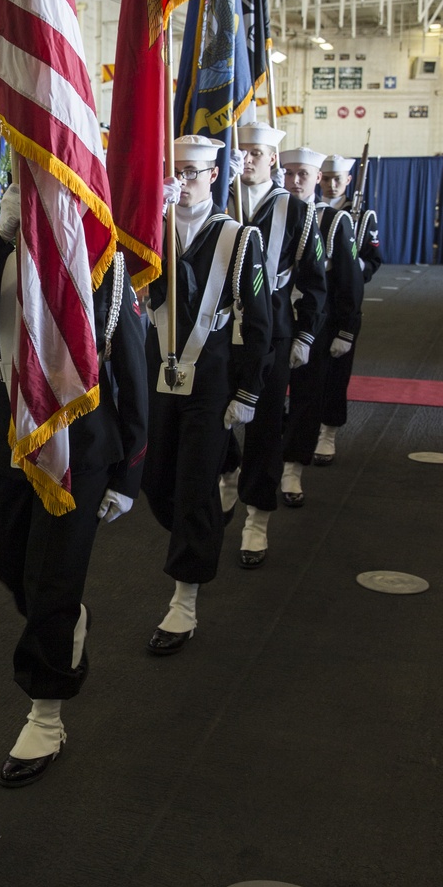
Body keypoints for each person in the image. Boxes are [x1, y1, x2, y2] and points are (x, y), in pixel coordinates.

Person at [0, 182, 149, 780]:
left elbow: (133, 370)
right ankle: (64, 618)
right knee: (13, 568)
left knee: (53, 581)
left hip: (80, 453)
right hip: (10, 440)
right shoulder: (4, 256)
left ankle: (45, 714)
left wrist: (128, 475)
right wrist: (2, 237)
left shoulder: (104, 268)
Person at [143, 136, 272, 653]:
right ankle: (209, 510)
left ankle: (184, 599)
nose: (185, 180)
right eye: (176, 171)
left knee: (194, 483)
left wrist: (247, 390)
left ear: (215, 175)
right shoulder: (151, 231)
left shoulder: (240, 237)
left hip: (211, 377)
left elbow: (256, 321)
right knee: (156, 483)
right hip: (160, 375)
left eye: (195, 171)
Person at [219, 124, 327, 567]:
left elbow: (315, 280)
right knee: (213, 413)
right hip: (217, 330)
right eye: (240, 152)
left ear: (272, 160)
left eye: (256, 153)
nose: (246, 159)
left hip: (272, 331)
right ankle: (228, 472)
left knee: (264, 424)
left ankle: (258, 516)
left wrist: (305, 333)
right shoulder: (217, 202)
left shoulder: (294, 210)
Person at [279, 148, 360, 506]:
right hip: (275, 322)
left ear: (316, 179)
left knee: (307, 398)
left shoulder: (333, 221)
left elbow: (349, 282)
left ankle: (292, 468)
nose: (295, 182)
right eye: (289, 173)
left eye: (304, 175)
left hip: (317, 324)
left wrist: (346, 330)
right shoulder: (272, 214)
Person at [316, 154, 382, 464]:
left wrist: (353, 266)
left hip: (344, 304)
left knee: (337, 372)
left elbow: (374, 260)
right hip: (313, 302)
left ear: (348, 180)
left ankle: (329, 431)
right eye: (326, 178)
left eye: (337, 179)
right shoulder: (308, 210)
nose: (331, 184)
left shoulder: (363, 216)